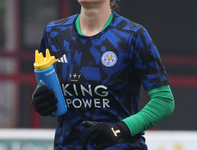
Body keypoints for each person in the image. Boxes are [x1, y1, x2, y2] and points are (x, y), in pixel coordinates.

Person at [31, 0, 175, 149]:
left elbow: (163, 101)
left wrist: (118, 129)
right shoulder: (54, 33)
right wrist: (40, 100)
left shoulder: (133, 35)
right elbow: (46, 88)